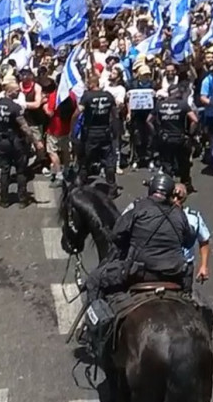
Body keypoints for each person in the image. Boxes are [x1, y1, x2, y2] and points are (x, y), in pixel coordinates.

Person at [85, 173, 195, 303]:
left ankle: (98, 321)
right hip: (174, 273)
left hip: (141, 273)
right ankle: (188, 297)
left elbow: (116, 235)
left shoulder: (139, 207)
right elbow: (189, 240)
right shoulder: (179, 214)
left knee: (94, 280)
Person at [0, 83, 43, 207]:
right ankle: (22, 199)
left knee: (5, 170)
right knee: (20, 170)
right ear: (9, 92)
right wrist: (36, 141)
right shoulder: (15, 107)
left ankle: (4, 199)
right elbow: (24, 127)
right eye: (17, 91)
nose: (19, 93)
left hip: (1, 141)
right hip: (15, 141)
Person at [75, 78, 118, 186]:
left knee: (85, 159)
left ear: (91, 84)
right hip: (105, 131)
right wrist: (116, 130)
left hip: (90, 132)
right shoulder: (108, 95)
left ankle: (82, 185)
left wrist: (73, 126)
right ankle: (112, 186)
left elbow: (78, 112)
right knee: (108, 159)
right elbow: (115, 114)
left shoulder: (87, 96)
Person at [153, 86, 198, 190]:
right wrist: (190, 133)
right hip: (180, 138)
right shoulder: (183, 104)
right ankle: (185, 185)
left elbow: (149, 120)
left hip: (165, 138)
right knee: (183, 163)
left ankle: (167, 186)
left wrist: (156, 132)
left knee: (167, 163)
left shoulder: (160, 105)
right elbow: (195, 120)